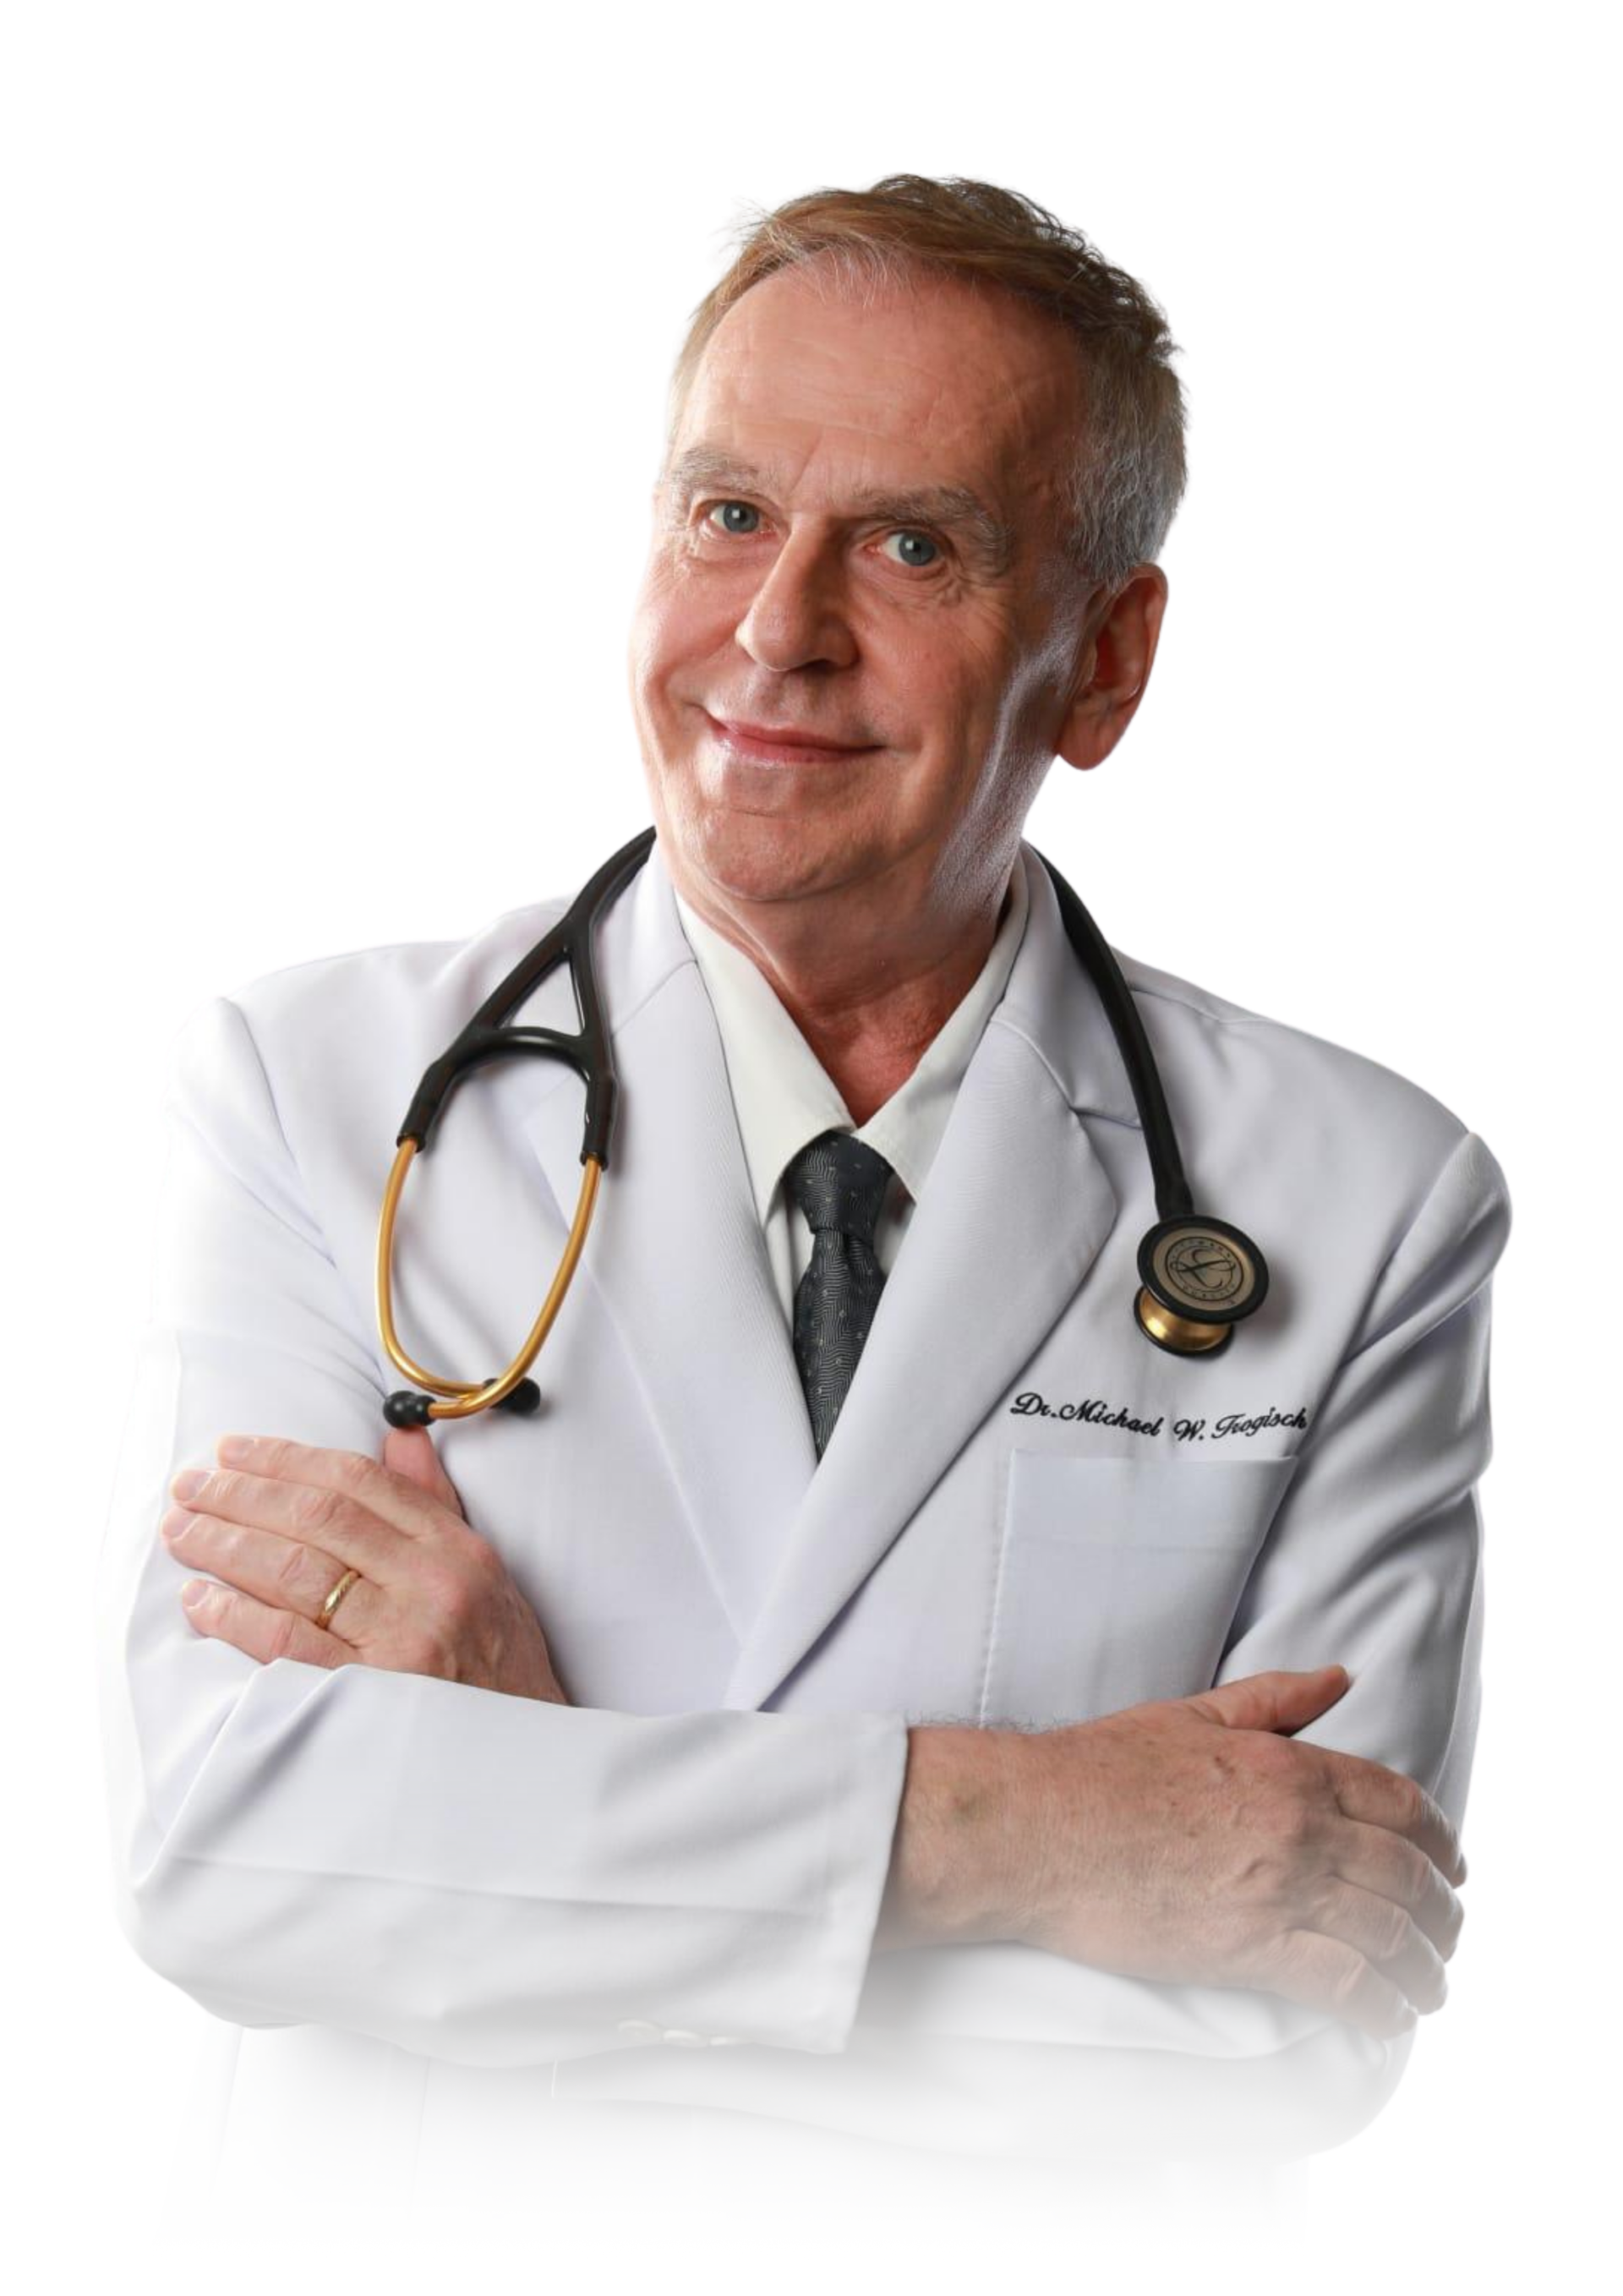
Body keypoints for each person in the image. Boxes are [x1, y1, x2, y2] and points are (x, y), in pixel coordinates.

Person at [96, 172, 1509, 2261]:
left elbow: (1297, 2016)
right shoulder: (304, 1087)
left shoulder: (1368, 1193)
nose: (779, 629)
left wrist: (521, 1848)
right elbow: (227, 1850)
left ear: (1106, 661)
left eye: (916, 543)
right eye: (729, 513)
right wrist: (1017, 1828)